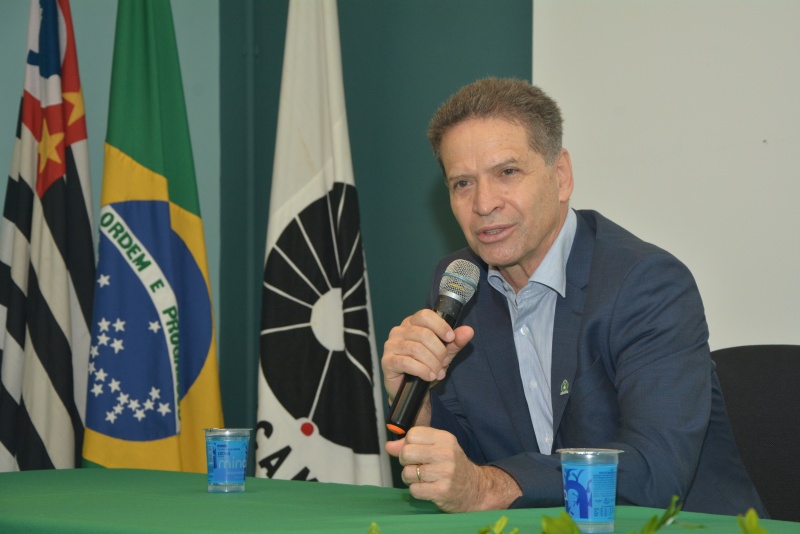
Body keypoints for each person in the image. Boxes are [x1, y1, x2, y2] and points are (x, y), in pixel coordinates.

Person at [381, 77, 767, 517]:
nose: (484, 203)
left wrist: (491, 487)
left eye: (507, 172)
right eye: (462, 184)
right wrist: (423, 406)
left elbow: (655, 472)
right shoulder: (458, 285)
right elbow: (468, 461)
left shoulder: (647, 284)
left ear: (560, 175)